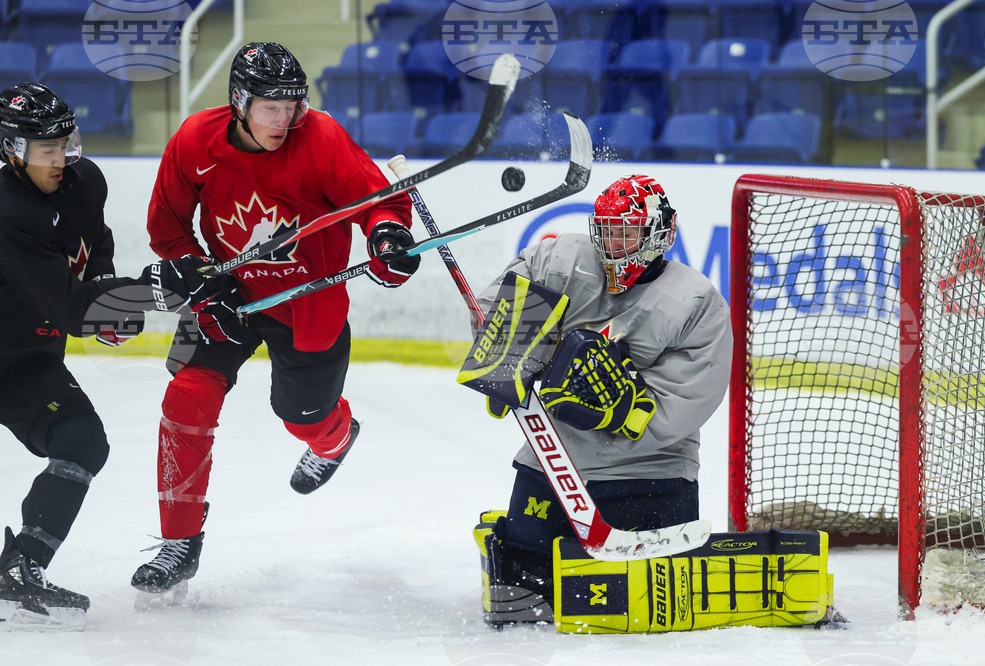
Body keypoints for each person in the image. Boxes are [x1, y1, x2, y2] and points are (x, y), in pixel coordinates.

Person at [130, 42, 419, 602]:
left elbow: (379, 203)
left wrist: (387, 236)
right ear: (239, 101)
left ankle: (335, 437)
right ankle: (179, 542)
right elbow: (167, 226)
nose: (283, 120)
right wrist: (194, 268)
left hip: (306, 304)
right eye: (270, 107)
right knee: (185, 400)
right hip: (225, 298)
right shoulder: (195, 140)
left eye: (292, 107)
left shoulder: (323, 137)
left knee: (300, 417)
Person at [0, 83, 220, 629]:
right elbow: (72, 311)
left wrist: (108, 290)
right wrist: (151, 290)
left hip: (24, 360)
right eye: (44, 149)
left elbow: (93, 240)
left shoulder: (84, 180)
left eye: (65, 143)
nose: (60, 158)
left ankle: (21, 566)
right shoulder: (6, 212)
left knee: (81, 443)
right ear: (10, 149)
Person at [473, 174, 733, 624]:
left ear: (661, 233)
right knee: (517, 593)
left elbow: (691, 398)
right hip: (552, 462)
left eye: (628, 232)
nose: (615, 245)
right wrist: (509, 355)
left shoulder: (695, 301)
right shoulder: (556, 260)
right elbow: (494, 317)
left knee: (643, 601)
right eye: (608, 230)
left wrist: (621, 413)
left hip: (650, 470)